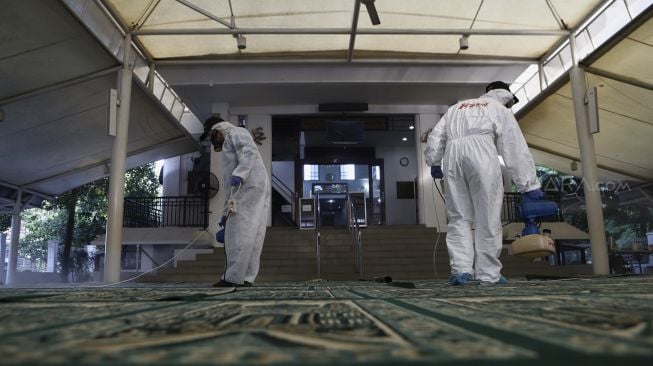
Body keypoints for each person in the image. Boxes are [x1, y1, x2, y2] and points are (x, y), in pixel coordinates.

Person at [424, 81, 544, 286]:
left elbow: (436, 135)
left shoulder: (456, 107)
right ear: (506, 96)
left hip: (453, 156)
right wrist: (528, 184)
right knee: (487, 216)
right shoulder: (499, 109)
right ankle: (488, 274)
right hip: (482, 153)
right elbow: (514, 147)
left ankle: (461, 270)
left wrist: (434, 162)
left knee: (458, 217)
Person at [201, 118, 270, 287]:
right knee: (253, 233)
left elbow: (249, 150)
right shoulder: (231, 139)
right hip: (254, 187)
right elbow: (229, 188)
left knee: (239, 233)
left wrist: (241, 173)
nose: (214, 142)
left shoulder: (236, 132)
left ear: (216, 131)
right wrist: (225, 216)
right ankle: (247, 277)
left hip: (248, 185)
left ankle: (231, 277)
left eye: (212, 137)